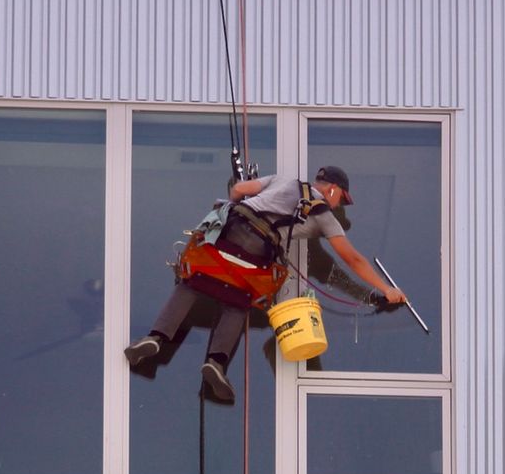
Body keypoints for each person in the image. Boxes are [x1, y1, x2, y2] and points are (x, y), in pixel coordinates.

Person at [123, 165, 405, 403]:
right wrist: (385, 289)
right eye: (341, 199)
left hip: (228, 234)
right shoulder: (322, 213)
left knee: (193, 281)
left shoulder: (283, 179)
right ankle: (216, 362)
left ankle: (156, 337)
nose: (338, 205)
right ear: (332, 189)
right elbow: (352, 259)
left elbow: (239, 191)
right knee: (240, 301)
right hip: (256, 251)